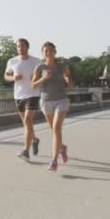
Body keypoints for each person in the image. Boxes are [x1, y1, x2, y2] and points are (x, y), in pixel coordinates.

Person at [32, 41, 72, 172]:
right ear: (43, 53)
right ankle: (62, 147)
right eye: (46, 51)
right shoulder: (39, 68)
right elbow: (33, 85)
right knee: (54, 130)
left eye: (51, 50)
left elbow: (68, 78)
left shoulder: (62, 66)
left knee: (56, 129)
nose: (48, 53)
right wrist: (43, 78)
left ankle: (54, 161)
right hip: (46, 102)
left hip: (61, 100)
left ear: (55, 52)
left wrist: (68, 81)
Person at [4, 38, 41, 162]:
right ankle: (35, 139)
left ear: (27, 47)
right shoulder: (12, 61)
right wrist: (13, 77)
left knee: (28, 120)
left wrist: (36, 77)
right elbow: (6, 76)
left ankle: (25, 151)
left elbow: (44, 75)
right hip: (18, 95)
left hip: (33, 94)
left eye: (23, 46)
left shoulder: (36, 61)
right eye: (18, 46)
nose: (20, 48)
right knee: (27, 124)